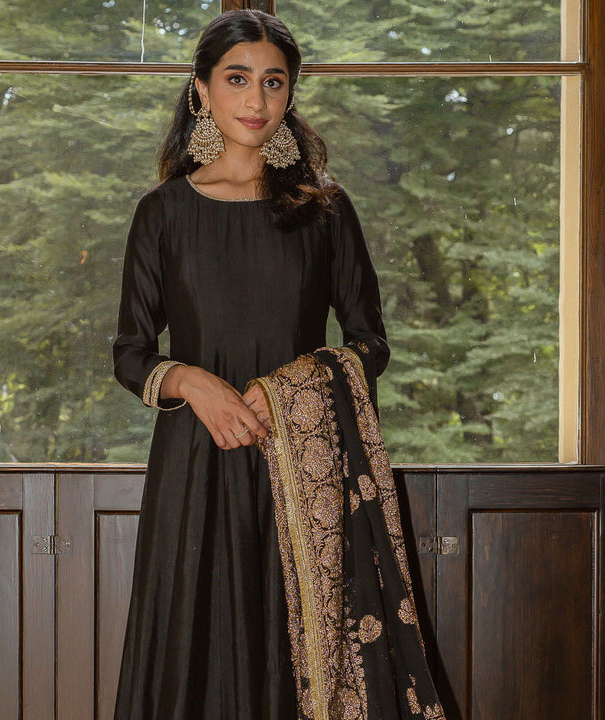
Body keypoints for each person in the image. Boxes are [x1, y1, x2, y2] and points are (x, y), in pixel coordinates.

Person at [112, 9, 389, 719]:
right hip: (195, 461)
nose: (256, 100)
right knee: (193, 647)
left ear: (290, 93)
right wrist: (192, 381)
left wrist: (292, 387)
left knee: (299, 653)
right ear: (202, 88)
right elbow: (130, 352)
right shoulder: (163, 213)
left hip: (302, 461)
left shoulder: (325, 210)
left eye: (274, 82)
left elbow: (369, 342)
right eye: (237, 79)